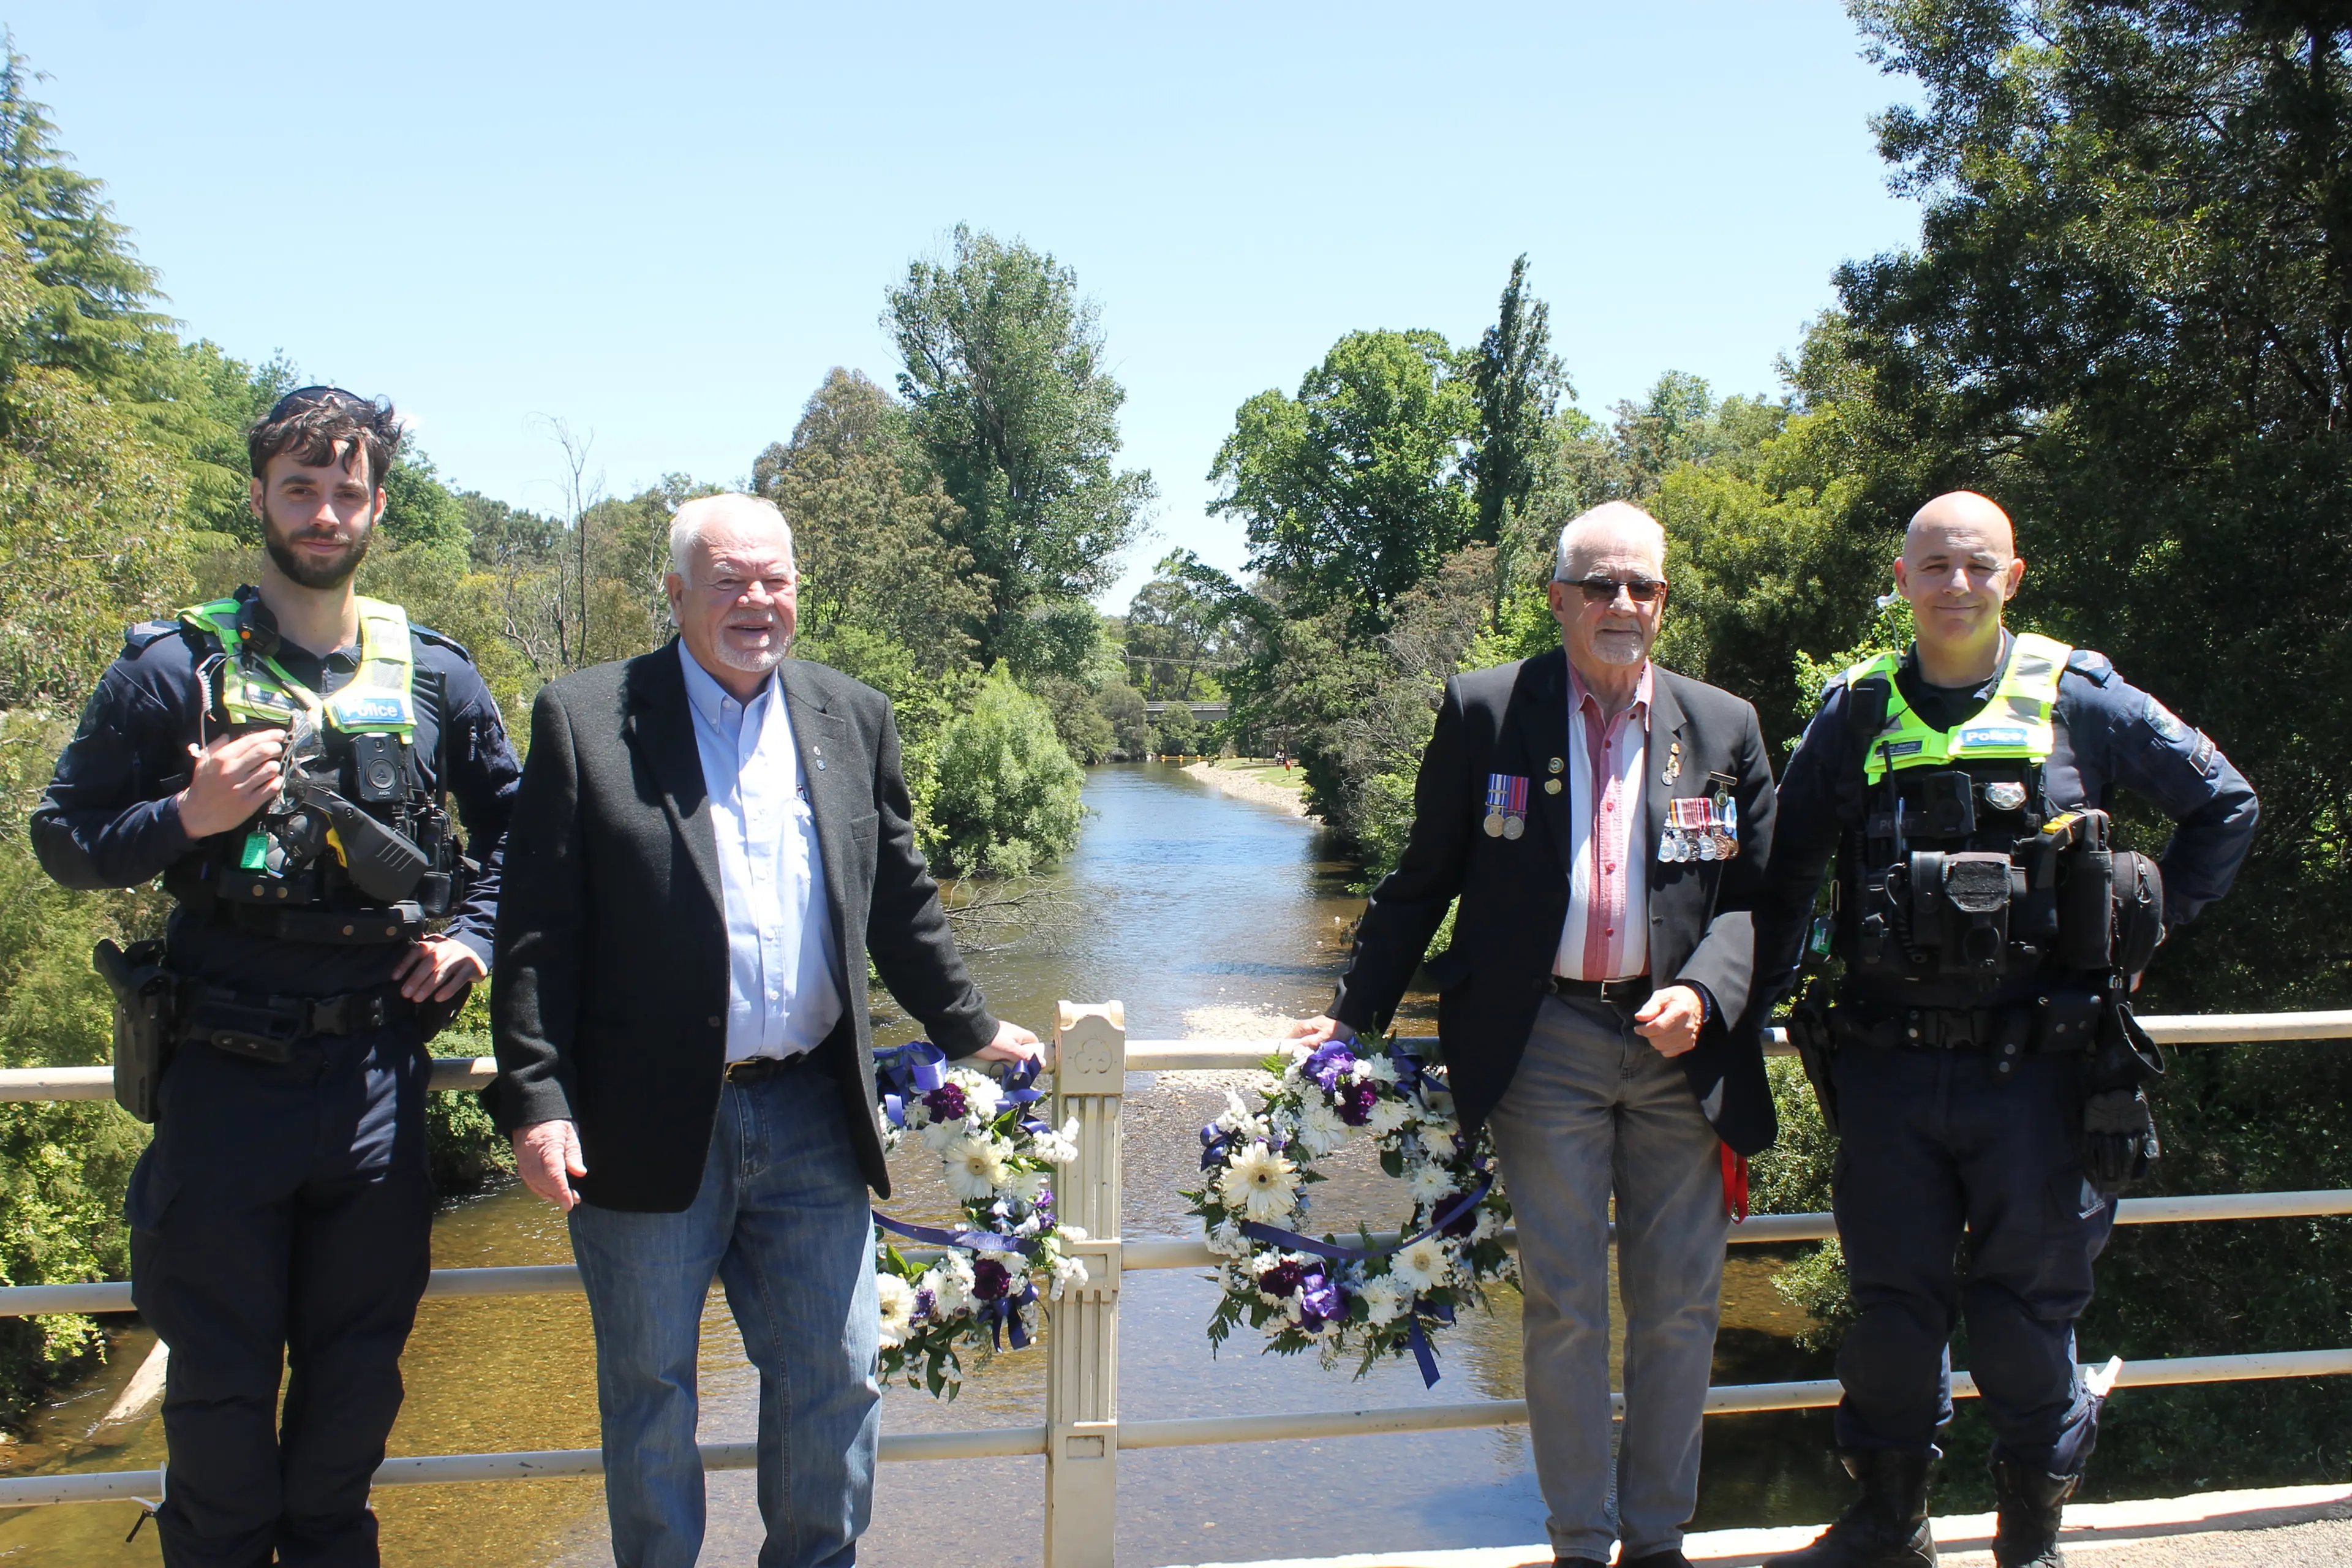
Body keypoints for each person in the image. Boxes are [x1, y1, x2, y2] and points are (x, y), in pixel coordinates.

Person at [489, 493, 1038, 1568]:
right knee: (650, 1389)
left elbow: (900, 902)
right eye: (731, 579)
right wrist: (538, 1098)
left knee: (836, 1375)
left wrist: (967, 1026)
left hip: (810, 1113)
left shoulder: (850, 716)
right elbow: (538, 932)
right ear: (677, 591)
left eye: (775, 579)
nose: (756, 602)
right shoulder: (587, 717)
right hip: (644, 1122)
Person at [31, 386, 519, 1567]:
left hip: (376, 1087)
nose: (323, 510)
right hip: (221, 1088)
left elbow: (520, 834)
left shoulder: (436, 676)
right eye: (300, 487)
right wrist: (186, 814)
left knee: (351, 1412)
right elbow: (64, 838)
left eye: (345, 489)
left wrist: (477, 940)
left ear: (377, 505)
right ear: (259, 498)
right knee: (222, 1413)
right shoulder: (172, 667)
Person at [1752, 492, 2258, 1568]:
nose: (1956, 585)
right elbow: (1788, 867)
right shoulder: (1854, 710)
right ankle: (1890, 1522)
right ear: (1901, 579)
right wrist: (1760, 1006)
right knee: (1892, 1313)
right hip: (1887, 1072)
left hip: (2044, 1075)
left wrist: (2146, 918)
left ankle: (2029, 1539)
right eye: (1934, 566)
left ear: (2012, 578)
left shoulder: (2081, 695)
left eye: (1977, 566)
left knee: (2028, 1320)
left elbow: (2226, 803)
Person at [1287, 501, 1779, 1568]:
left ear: (1663, 603)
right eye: (1599, 585)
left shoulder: (1725, 726)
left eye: (1641, 587)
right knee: (1563, 1305)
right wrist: (1350, 1014)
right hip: (1543, 1043)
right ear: (1557, 599)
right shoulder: (1485, 710)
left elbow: (1760, 903)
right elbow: (1425, 878)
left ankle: (1655, 1543)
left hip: (1681, 1053)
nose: (1621, 605)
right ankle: (1578, 1541)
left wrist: (1705, 990)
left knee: (1681, 1306)